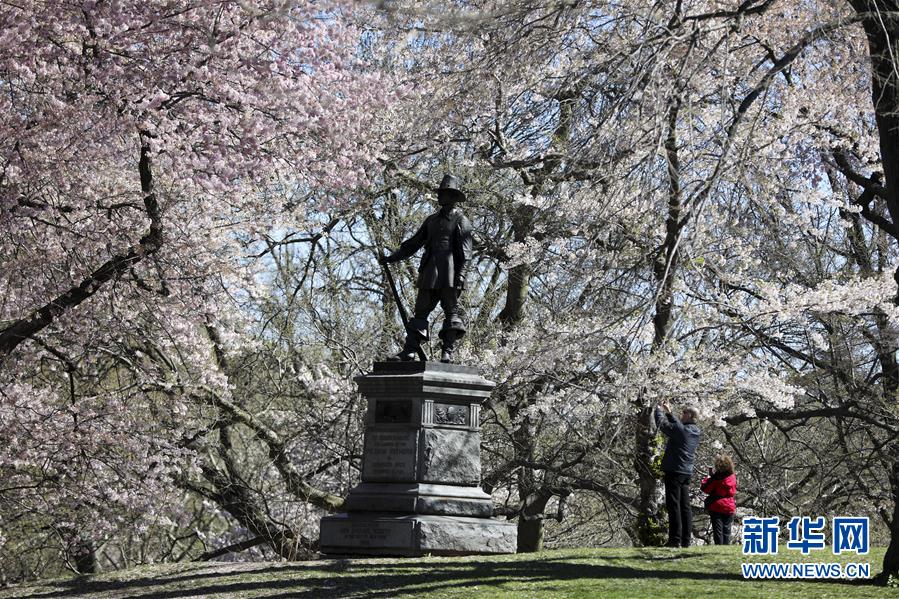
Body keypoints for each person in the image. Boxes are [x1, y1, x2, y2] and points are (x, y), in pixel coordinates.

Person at [381, 174, 473, 363]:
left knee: (452, 313)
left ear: (453, 196)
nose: (440, 196)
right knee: (421, 311)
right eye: (440, 192)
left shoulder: (461, 220)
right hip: (430, 271)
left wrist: (462, 275)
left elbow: (466, 253)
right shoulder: (431, 220)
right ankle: (410, 350)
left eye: (444, 193)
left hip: (450, 273)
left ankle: (447, 351)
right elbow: (414, 243)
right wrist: (392, 258)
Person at [655, 400, 701, 547]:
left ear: (690, 415)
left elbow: (663, 425)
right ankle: (686, 540)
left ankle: (675, 540)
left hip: (674, 470)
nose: (682, 414)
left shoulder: (682, 431)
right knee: (685, 507)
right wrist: (669, 412)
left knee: (673, 505)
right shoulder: (695, 431)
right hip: (686, 472)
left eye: (684, 413)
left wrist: (658, 410)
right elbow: (678, 427)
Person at [700, 454, 737, 545]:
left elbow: (705, 489)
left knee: (718, 530)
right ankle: (726, 547)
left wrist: (709, 478)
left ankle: (719, 546)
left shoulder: (715, 479)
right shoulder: (732, 477)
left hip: (717, 505)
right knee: (726, 530)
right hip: (729, 506)